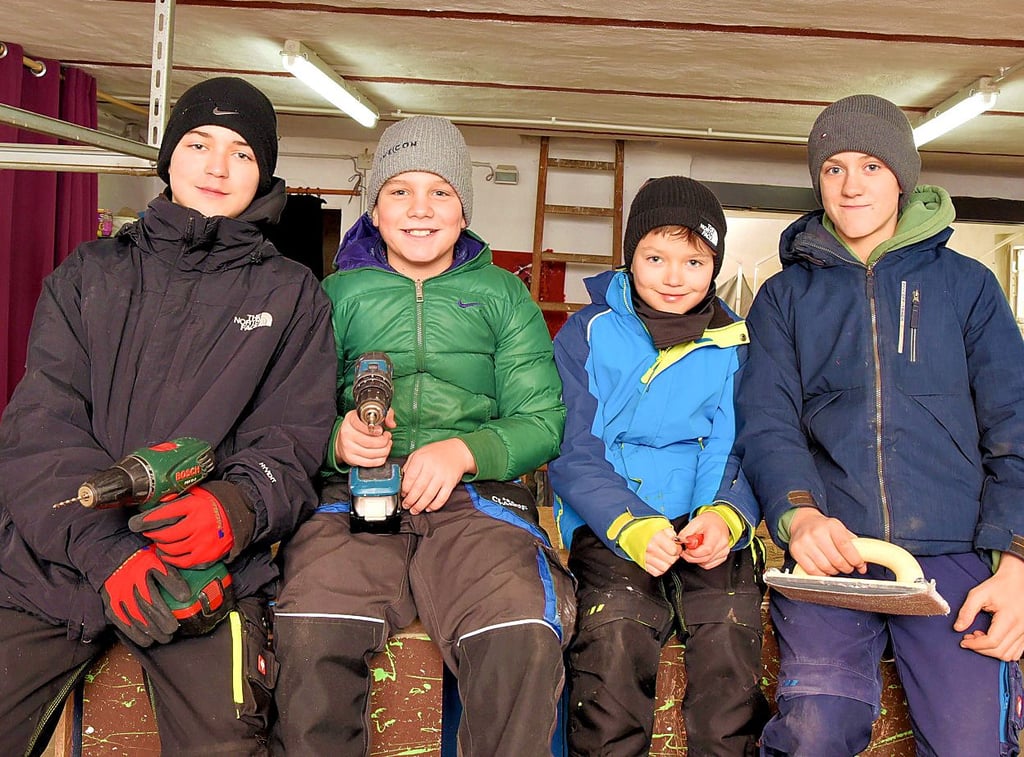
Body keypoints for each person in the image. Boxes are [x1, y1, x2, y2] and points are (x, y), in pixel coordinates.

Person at [0, 77, 337, 755]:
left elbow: (292, 446)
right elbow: (39, 434)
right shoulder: (87, 275)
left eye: (242, 153)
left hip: (204, 579)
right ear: (169, 157)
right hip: (53, 566)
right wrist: (104, 550)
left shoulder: (292, 296)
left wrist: (234, 508)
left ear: (264, 172)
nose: (218, 165)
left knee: (227, 742)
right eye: (199, 143)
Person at [271, 115, 575, 756]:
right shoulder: (334, 297)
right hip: (352, 500)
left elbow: (542, 420)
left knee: (520, 631)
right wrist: (338, 441)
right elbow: (290, 412)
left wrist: (464, 450)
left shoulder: (503, 297)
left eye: (440, 191)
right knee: (310, 627)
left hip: (476, 501)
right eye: (399, 191)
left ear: (464, 209)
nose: (419, 209)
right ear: (373, 210)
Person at [736, 94, 1024, 756]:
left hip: (955, 552)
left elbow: (1017, 426)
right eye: (833, 168)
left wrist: (1015, 564)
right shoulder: (785, 299)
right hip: (832, 554)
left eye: (870, 165)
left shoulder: (968, 287)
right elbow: (768, 420)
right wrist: (799, 516)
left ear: (901, 175)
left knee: (970, 746)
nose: (851, 183)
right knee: (815, 729)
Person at [548, 176, 769, 756]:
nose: (674, 277)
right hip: (615, 521)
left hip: (707, 522)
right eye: (655, 257)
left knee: (728, 633)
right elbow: (575, 449)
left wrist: (722, 515)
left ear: (714, 264)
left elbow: (736, 443)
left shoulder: (736, 343)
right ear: (629, 257)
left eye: (693, 261)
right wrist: (630, 522)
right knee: (614, 633)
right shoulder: (587, 334)